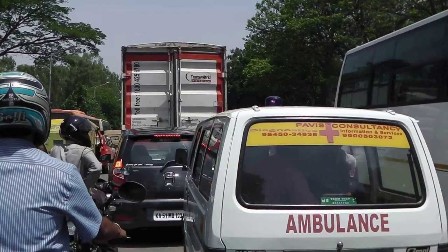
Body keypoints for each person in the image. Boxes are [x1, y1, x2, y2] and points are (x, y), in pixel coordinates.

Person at [0, 71, 126, 251]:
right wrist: (118, 231)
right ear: (41, 115)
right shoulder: (63, 173)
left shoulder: (56, 150)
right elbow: (100, 230)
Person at [50, 115, 102, 190]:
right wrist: (85, 186)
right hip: (77, 194)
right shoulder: (84, 151)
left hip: (57, 191)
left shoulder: (55, 149)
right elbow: (97, 168)